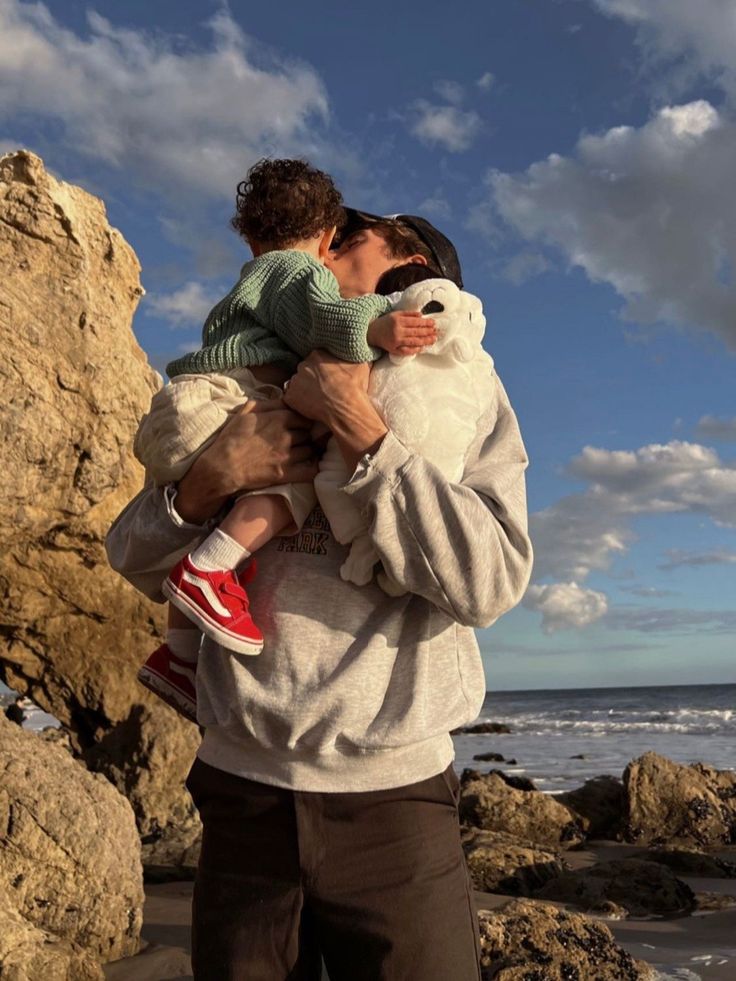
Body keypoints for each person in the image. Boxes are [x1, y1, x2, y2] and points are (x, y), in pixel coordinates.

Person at [106, 211, 533, 980]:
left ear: (409, 261)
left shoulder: (464, 384)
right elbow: (130, 552)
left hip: (396, 806)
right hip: (241, 798)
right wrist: (209, 481)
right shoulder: (252, 376)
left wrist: (363, 429)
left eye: (349, 236)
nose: (323, 251)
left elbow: (490, 580)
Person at [134, 160, 438, 721]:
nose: (337, 250)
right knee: (293, 476)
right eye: (337, 240)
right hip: (234, 399)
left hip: (191, 404)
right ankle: (210, 572)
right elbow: (323, 320)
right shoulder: (297, 276)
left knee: (212, 523)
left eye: (356, 241)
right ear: (322, 238)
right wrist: (375, 325)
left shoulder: (259, 276)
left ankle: (178, 656)